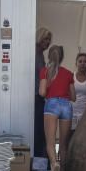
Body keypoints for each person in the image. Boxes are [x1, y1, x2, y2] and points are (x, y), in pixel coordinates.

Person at [38, 45, 74, 171]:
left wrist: (50, 92)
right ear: (62, 57)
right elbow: (74, 96)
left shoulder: (45, 71)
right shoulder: (68, 73)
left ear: (49, 56)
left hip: (51, 105)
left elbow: (41, 92)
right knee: (64, 145)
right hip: (66, 105)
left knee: (50, 143)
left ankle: (54, 164)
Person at [33, 28, 53, 160]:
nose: (47, 42)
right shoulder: (34, 53)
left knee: (42, 131)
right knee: (39, 131)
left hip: (39, 96)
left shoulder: (40, 54)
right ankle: (39, 163)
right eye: (45, 39)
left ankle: (40, 164)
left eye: (49, 40)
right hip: (35, 96)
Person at [70, 52, 86, 131]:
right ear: (76, 63)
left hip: (85, 116)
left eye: (85, 61)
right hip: (71, 114)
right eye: (80, 61)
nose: (82, 63)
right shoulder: (70, 77)